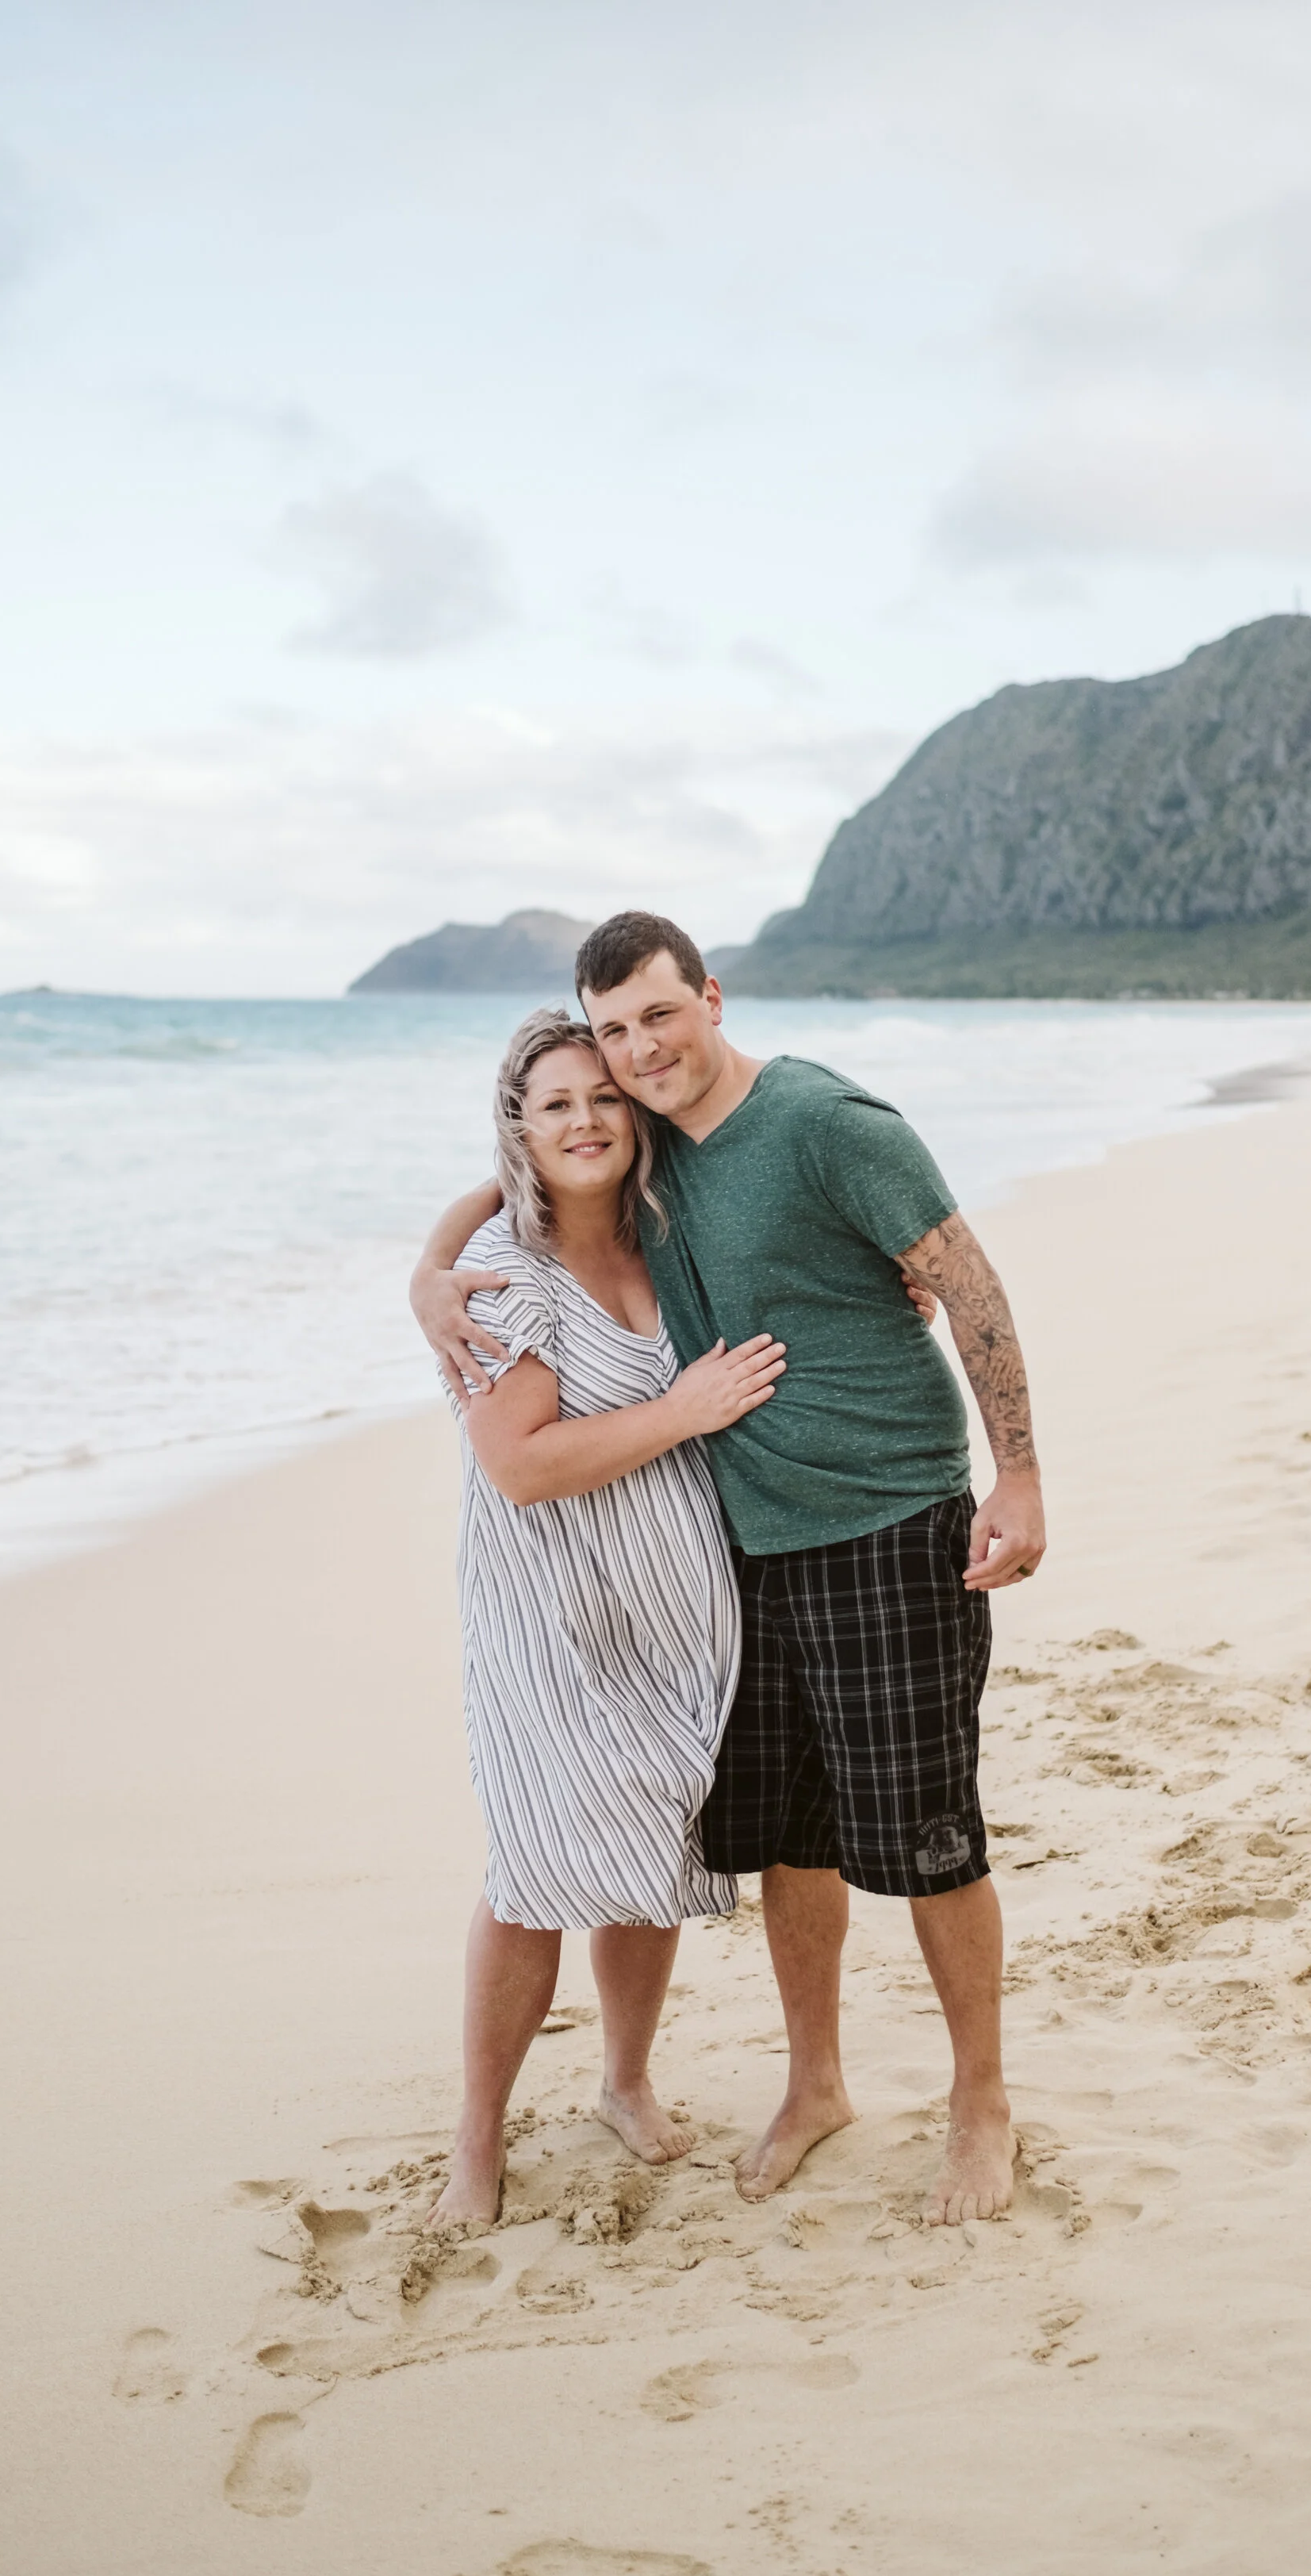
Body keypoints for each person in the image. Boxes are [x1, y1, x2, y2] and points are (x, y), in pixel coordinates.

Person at [415, 912, 1047, 2229]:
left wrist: (1020, 1478)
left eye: (655, 1020)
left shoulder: (806, 1130)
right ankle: (811, 2086)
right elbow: (525, 1203)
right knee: (773, 1845)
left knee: (929, 1838)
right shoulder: (609, 1191)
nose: (634, 1060)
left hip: (875, 1528)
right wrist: (429, 1273)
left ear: (709, 998)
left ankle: (980, 2103)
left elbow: (972, 1286)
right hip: (708, 1567)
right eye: (611, 1037)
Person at [427, 1006, 788, 2228]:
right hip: (551, 1614)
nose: (585, 1121)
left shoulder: (670, 1240)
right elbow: (519, 1466)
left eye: (603, 1098)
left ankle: (624, 2082)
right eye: (555, 1105)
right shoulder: (504, 1281)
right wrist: (682, 1412)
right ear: (518, 1131)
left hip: (674, 1612)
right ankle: (477, 2139)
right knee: (533, 1865)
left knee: (652, 1840)